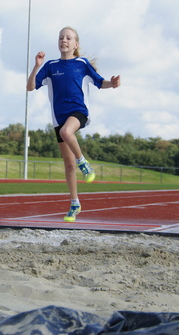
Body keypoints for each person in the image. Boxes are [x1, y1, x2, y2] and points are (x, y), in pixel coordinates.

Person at [27, 26, 121, 222]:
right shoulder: (51, 66)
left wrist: (112, 84)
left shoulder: (82, 63)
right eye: (61, 38)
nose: (64, 40)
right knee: (68, 165)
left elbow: (99, 82)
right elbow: (30, 87)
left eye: (68, 38)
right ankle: (75, 203)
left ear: (75, 44)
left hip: (79, 112)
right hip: (58, 118)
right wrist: (37, 65)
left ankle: (84, 163)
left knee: (67, 133)